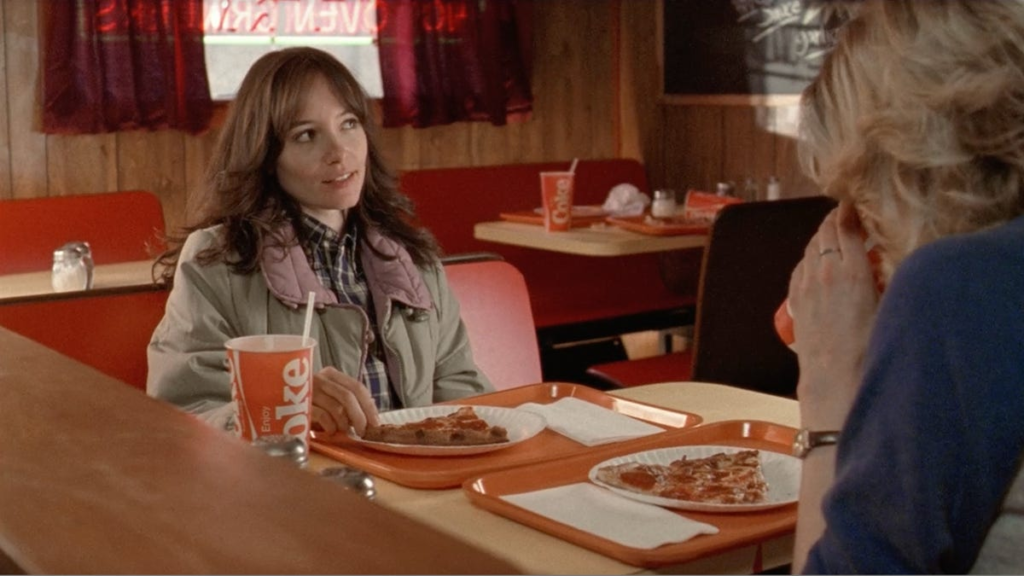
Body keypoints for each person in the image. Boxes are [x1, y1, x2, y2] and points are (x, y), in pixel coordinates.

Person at [786, 1, 1024, 573]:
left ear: (909, 164)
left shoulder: (956, 288)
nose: (862, 227)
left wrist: (826, 387)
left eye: (861, 196)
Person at [147, 47, 493, 436]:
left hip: (417, 489)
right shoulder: (217, 264)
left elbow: (463, 394)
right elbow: (181, 415)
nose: (339, 152)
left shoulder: (414, 260)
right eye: (306, 135)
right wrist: (279, 411)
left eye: (348, 124)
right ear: (265, 154)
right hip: (296, 488)